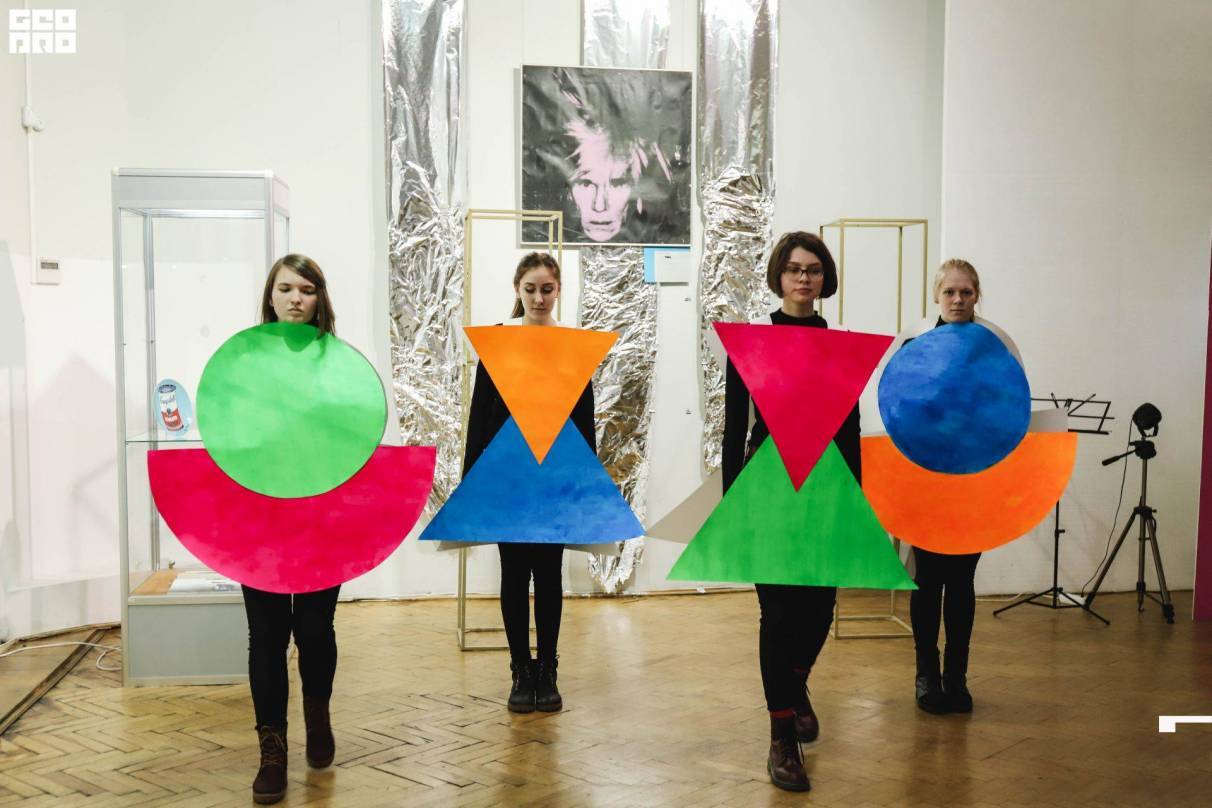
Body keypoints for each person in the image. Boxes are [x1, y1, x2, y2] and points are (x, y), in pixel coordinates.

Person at [722, 232, 856, 793]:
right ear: (778, 275)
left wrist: (855, 507)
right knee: (777, 615)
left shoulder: (841, 346)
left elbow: (849, 431)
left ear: (825, 279)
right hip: (768, 490)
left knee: (819, 610)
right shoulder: (752, 342)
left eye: (814, 269)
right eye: (795, 269)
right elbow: (734, 429)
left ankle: (795, 685)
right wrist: (732, 509)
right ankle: (782, 739)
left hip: (826, 493)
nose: (804, 278)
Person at [461, 252, 595, 713]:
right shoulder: (499, 341)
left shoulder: (572, 344)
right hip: (507, 479)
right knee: (515, 575)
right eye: (531, 289)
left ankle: (548, 669)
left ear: (558, 291)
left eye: (547, 289)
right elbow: (480, 416)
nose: (539, 298)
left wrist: (586, 483)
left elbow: (584, 418)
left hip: (555, 478)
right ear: (518, 290)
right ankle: (520, 669)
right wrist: (471, 484)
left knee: (549, 575)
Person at [244, 254, 340, 805]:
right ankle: (272, 750)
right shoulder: (246, 362)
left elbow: (352, 431)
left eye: (306, 289)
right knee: (266, 634)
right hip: (259, 515)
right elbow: (232, 431)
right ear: (271, 296)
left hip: (322, 514)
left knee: (315, 628)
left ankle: (317, 714)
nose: (295, 298)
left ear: (319, 297)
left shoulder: (337, 362)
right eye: (285, 289)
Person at [906, 258, 990, 715]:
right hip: (926, 479)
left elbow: (1002, 414)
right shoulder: (916, 347)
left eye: (966, 292)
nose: (958, 300)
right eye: (950, 292)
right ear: (936, 297)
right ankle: (926, 675)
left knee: (961, 581)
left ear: (977, 296)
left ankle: (956, 677)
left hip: (973, 480)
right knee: (927, 579)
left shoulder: (991, 350)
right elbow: (901, 412)